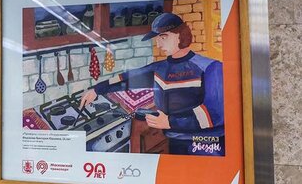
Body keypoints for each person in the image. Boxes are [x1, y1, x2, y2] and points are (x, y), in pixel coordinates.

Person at [79, 13, 224, 156]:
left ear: (181, 35)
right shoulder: (160, 68)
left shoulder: (211, 67)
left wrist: (170, 122)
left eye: (163, 37)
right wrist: (97, 89)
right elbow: (128, 78)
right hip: (174, 140)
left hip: (206, 144)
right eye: (157, 39)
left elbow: (215, 114)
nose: (158, 44)